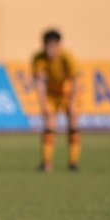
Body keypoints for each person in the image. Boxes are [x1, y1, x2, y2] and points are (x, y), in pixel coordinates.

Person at [32, 29, 81, 172]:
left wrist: (71, 103)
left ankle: (73, 163)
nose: (51, 49)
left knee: (73, 120)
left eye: (54, 45)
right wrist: (43, 104)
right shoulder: (39, 58)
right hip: (51, 95)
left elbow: (75, 81)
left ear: (59, 45)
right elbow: (39, 82)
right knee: (49, 122)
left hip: (68, 93)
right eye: (48, 45)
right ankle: (46, 163)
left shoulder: (67, 57)